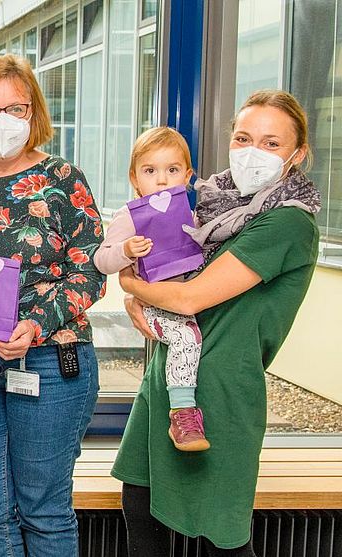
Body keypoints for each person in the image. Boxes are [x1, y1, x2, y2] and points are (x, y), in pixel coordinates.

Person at [113, 90, 322, 556]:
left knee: (219, 538)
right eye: (243, 138)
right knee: (141, 507)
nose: (252, 152)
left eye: (271, 143)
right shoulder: (206, 208)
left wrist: (131, 289)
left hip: (222, 394)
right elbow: (165, 271)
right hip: (167, 377)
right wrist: (141, 293)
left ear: (298, 153)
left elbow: (187, 296)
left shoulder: (288, 223)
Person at [0, 54, 105, 555]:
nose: (3, 120)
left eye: (16, 107)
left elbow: (91, 269)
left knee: (45, 511)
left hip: (50, 361)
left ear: (34, 113)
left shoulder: (64, 179)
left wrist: (35, 324)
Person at [95, 127, 209, 451]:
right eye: (150, 171)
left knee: (195, 339)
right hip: (155, 307)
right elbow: (101, 260)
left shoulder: (194, 216)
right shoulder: (129, 218)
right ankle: (183, 415)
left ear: (187, 176)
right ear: (135, 177)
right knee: (186, 338)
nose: (161, 181)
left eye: (172, 170)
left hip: (191, 301)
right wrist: (126, 251)